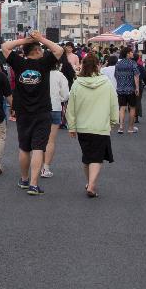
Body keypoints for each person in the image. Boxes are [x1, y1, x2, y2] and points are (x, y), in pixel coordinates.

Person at [1, 30, 65, 195]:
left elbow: (5, 47)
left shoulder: (19, 63)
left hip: (22, 111)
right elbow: (59, 50)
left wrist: (25, 40)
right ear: (36, 51)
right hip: (42, 110)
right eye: (41, 48)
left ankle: (24, 179)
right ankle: (34, 184)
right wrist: (40, 38)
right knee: (38, 147)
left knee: (24, 147)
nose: (43, 51)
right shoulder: (44, 63)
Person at [65, 53, 117, 197]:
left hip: (83, 127)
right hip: (101, 126)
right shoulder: (106, 83)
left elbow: (71, 108)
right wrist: (113, 121)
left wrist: (72, 126)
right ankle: (92, 184)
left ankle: (89, 182)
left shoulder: (77, 84)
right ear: (97, 66)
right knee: (97, 157)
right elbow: (114, 103)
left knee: (87, 156)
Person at [42, 62, 70, 179]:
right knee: (50, 140)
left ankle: (35, 165)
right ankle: (45, 168)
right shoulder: (60, 75)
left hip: (38, 109)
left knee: (38, 139)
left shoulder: (40, 74)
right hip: (55, 108)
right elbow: (65, 95)